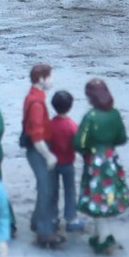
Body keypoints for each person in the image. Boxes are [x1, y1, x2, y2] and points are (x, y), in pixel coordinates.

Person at [74, 78, 129, 254]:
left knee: (97, 197)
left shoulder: (90, 117)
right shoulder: (114, 114)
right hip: (110, 157)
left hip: (94, 159)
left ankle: (103, 237)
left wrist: (88, 149)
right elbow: (122, 138)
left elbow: (79, 142)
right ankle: (101, 234)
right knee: (107, 195)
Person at [22, 64, 62, 249]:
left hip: (36, 148)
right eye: (50, 76)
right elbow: (37, 137)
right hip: (38, 150)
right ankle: (44, 231)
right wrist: (49, 156)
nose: (52, 80)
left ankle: (38, 220)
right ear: (41, 79)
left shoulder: (34, 96)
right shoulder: (37, 104)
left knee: (44, 185)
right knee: (46, 188)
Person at [48, 90, 84, 233]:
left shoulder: (50, 124)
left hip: (52, 163)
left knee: (53, 191)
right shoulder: (71, 126)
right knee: (70, 191)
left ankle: (53, 218)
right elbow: (78, 144)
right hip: (68, 162)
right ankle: (71, 218)